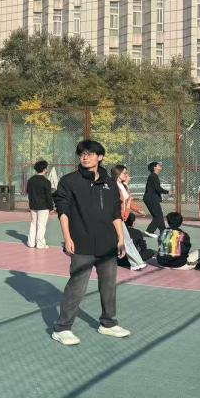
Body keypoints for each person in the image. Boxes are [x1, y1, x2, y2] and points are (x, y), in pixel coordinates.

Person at [50, 139, 131, 346]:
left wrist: (121, 239)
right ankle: (62, 328)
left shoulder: (109, 183)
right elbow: (63, 211)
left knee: (108, 285)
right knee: (77, 286)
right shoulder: (69, 181)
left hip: (107, 244)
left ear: (100, 157)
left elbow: (115, 213)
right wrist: (68, 237)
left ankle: (108, 323)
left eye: (90, 153)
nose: (85, 157)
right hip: (81, 243)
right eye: (82, 154)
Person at [112, 164, 147, 271]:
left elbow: (128, 202)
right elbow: (116, 203)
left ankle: (136, 263)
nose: (127, 175)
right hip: (114, 217)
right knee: (126, 240)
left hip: (120, 217)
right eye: (125, 173)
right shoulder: (113, 186)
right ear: (118, 173)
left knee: (125, 240)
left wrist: (138, 210)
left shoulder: (123, 186)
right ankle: (137, 263)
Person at [25, 160, 54, 249]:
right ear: (44, 169)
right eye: (46, 168)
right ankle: (40, 244)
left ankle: (31, 243)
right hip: (43, 207)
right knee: (41, 225)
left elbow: (28, 192)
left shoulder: (30, 180)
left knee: (33, 223)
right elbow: (48, 196)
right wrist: (51, 207)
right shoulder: (46, 182)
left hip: (33, 205)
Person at [143, 161, 169, 237]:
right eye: (158, 165)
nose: (160, 166)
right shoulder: (153, 176)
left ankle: (163, 231)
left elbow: (156, 188)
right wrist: (167, 192)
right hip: (151, 199)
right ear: (155, 168)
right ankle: (149, 231)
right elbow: (158, 188)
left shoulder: (154, 176)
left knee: (159, 215)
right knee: (158, 216)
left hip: (152, 199)